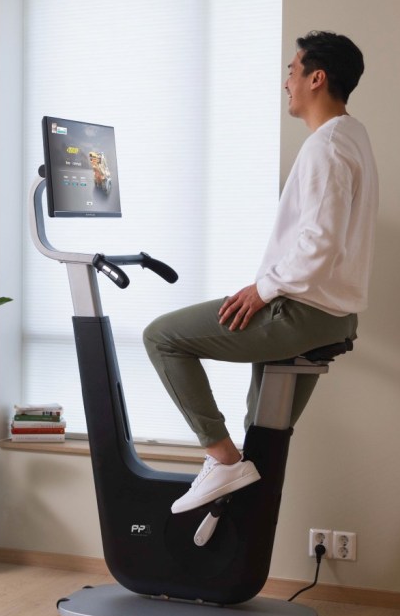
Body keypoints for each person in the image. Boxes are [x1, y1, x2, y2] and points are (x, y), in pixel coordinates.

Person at [143, 31, 379, 514]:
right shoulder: (353, 135)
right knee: (265, 437)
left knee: (162, 338)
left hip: (302, 310)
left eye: (292, 70)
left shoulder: (326, 147)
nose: (285, 81)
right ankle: (233, 540)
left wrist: (264, 288)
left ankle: (221, 459)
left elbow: (320, 243)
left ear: (317, 78)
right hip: (335, 314)